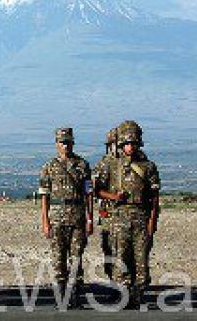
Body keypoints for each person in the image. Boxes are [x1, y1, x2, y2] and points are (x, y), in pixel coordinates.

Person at [95, 121, 160, 310]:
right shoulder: (111, 164)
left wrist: (152, 221)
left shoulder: (148, 166)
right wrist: (114, 197)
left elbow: (154, 197)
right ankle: (122, 294)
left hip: (141, 216)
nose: (130, 147)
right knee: (120, 257)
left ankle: (137, 295)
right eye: (126, 144)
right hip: (118, 217)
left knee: (141, 259)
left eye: (133, 143)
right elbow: (96, 189)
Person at [38, 127, 93, 309]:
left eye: (68, 142)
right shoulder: (49, 167)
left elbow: (88, 194)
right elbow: (44, 196)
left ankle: (75, 296)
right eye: (62, 142)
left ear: (73, 143)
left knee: (76, 257)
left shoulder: (82, 165)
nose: (65, 145)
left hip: (77, 216)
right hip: (56, 217)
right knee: (58, 259)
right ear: (57, 144)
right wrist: (45, 221)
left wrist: (89, 218)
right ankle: (61, 296)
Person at [92, 127, 119, 280]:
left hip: (129, 215)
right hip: (108, 214)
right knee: (109, 250)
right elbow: (95, 189)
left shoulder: (136, 163)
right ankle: (115, 285)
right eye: (114, 144)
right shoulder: (104, 164)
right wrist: (113, 197)